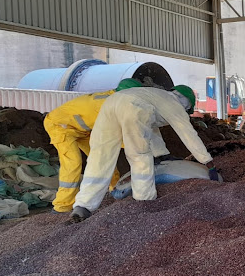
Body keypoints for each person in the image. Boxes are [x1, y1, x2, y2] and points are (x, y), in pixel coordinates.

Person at [70, 85, 218, 221]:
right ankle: (144, 202)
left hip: (110, 104)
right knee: (139, 155)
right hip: (133, 107)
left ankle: (83, 206)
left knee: (100, 156)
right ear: (187, 104)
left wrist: (161, 154)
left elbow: (151, 127)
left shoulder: (156, 96)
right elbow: (188, 134)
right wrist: (207, 161)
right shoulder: (174, 105)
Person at [44, 78, 145, 213]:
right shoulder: (108, 106)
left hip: (82, 130)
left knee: (104, 157)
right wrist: (140, 149)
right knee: (73, 164)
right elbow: (116, 135)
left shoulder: (113, 98)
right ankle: (62, 206)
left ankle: (114, 189)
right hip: (60, 126)